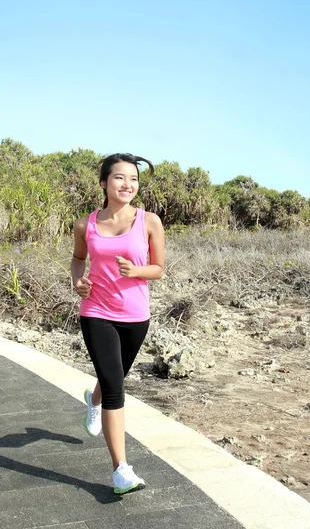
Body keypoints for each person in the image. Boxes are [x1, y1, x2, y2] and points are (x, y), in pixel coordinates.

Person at [71, 153, 164, 495]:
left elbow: (158, 268)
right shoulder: (86, 224)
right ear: (104, 183)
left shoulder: (149, 221)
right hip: (96, 312)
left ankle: (92, 400)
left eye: (134, 179)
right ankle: (121, 470)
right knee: (116, 388)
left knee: (114, 378)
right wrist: (78, 282)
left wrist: (135, 271)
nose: (128, 185)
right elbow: (79, 259)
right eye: (120, 178)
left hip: (136, 317)